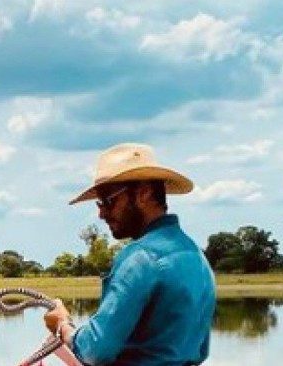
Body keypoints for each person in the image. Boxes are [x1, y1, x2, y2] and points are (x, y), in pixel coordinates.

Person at [44, 143, 216, 366]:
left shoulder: (140, 258)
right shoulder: (196, 256)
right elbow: (201, 349)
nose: (101, 213)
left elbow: (94, 350)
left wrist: (62, 324)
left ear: (143, 194)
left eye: (108, 201)